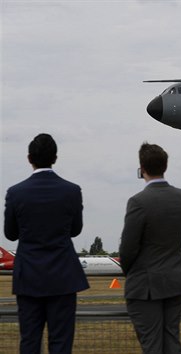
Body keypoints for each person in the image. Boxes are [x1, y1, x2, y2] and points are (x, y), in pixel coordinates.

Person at [4, 133, 90, 354]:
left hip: (29, 277)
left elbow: (10, 234)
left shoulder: (15, 193)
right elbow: (75, 230)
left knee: (29, 341)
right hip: (63, 276)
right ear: (55, 158)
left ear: (29, 158)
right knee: (61, 343)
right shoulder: (71, 191)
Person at [119, 142, 181, 354]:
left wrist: (129, 271)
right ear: (165, 166)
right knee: (172, 341)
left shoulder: (138, 201)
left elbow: (128, 248)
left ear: (141, 168)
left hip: (146, 286)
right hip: (176, 280)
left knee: (152, 344)